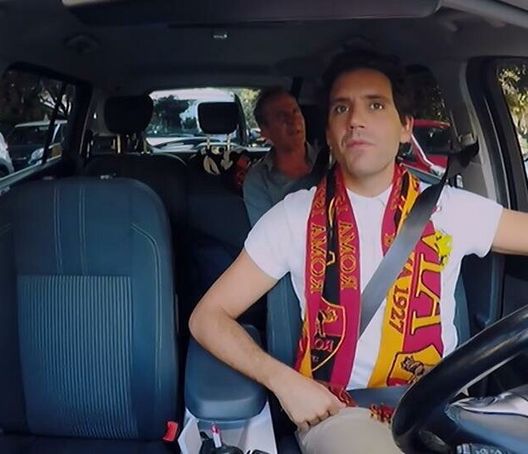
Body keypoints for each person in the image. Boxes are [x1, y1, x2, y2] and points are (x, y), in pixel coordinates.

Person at [189, 49, 528, 453]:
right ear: (330, 133)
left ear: (405, 127)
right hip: (339, 412)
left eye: (376, 105)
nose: (356, 119)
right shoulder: (292, 217)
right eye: (341, 108)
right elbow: (207, 317)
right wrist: (284, 381)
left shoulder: (452, 208)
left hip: (442, 408)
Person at [243, 87, 322, 226]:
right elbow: (267, 234)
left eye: (295, 111)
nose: (293, 120)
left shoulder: (331, 161)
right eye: (281, 116)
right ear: (265, 131)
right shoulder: (258, 180)